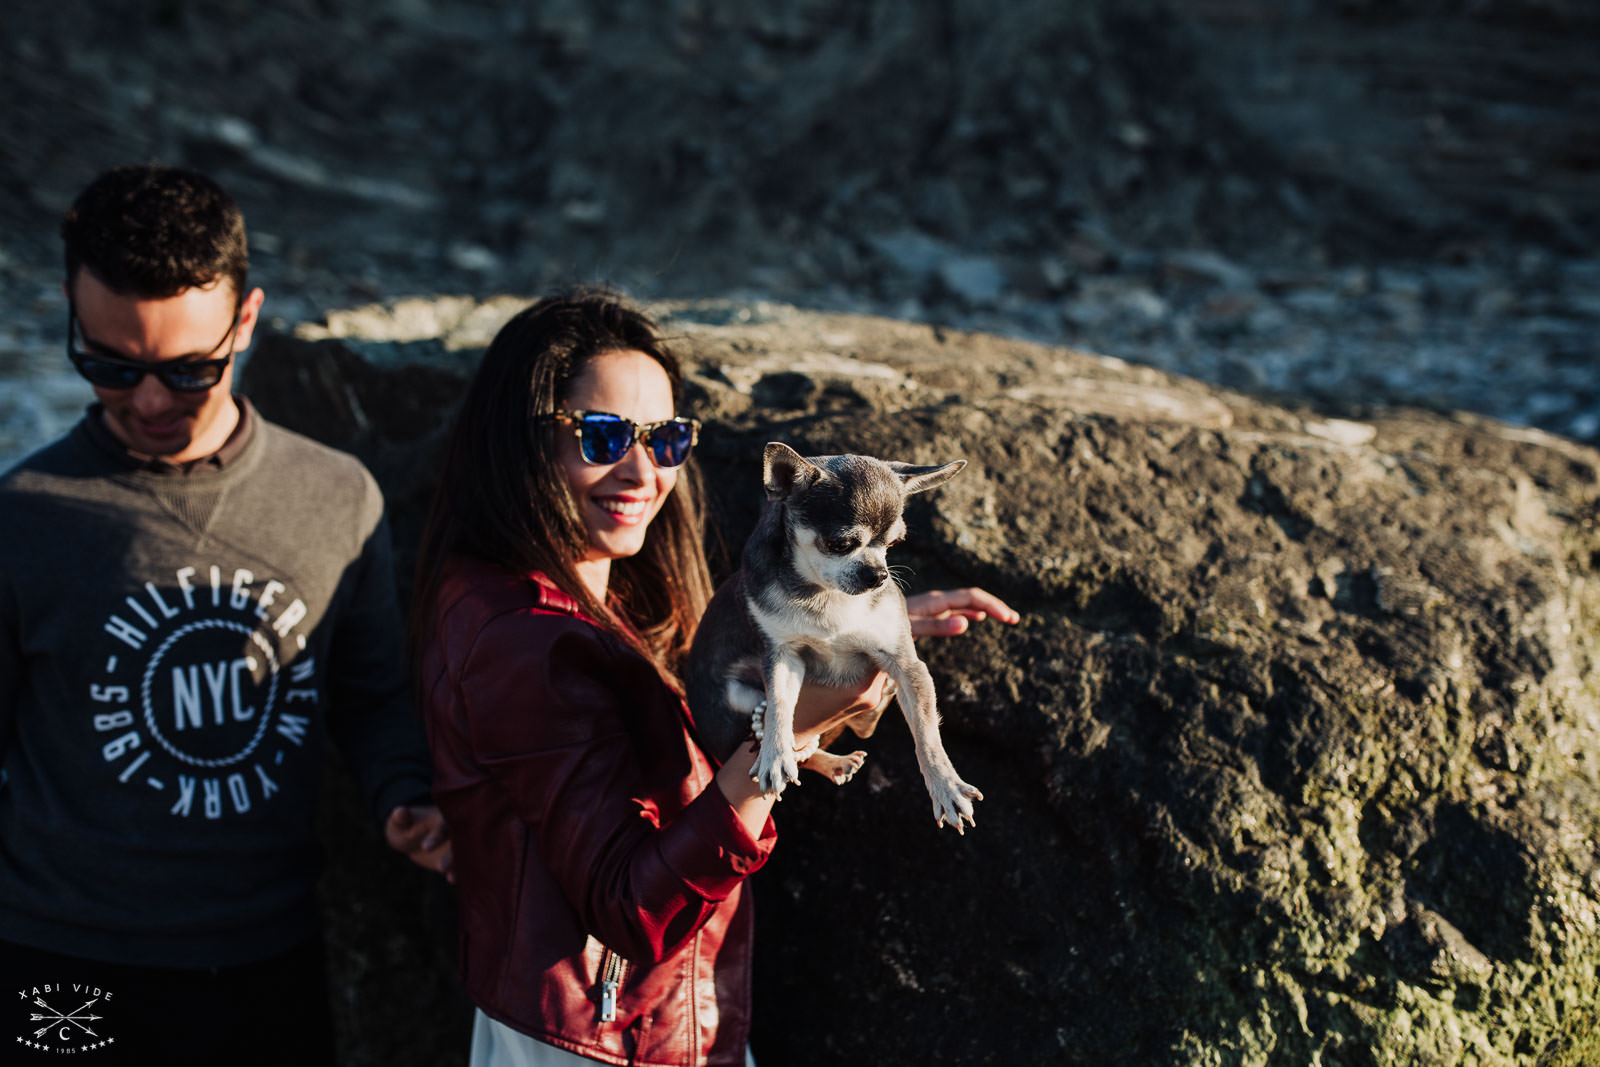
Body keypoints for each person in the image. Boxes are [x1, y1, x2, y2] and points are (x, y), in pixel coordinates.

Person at [411, 288, 1018, 1067]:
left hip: (640, 1024)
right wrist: (789, 733)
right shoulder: (524, 640)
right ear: (520, 441)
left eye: (664, 438)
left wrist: (844, 613)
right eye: (602, 434)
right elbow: (630, 907)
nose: (641, 470)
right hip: (603, 1041)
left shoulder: (595, 584)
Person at [0, 164, 451, 1066]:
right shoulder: (24, 515)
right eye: (108, 365)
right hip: (59, 964)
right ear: (68, 314)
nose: (151, 400)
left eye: (188, 368)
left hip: (267, 961)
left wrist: (404, 793)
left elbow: (369, 696)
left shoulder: (336, 497)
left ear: (246, 321)